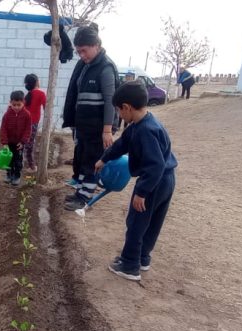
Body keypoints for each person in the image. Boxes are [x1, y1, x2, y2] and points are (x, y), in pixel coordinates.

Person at [94, 81, 178, 282]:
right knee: (152, 221)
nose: (119, 115)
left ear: (126, 107)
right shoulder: (141, 124)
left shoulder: (146, 131)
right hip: (166, 180)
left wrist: (142, 192)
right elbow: (122, 144)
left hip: (155, 181)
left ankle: (130, 264)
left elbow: (155, 165)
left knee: (137, 221)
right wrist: (104, 158)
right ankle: (143, 257)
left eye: (118, 111)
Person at [62, 26, 120, 211]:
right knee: (81, 159)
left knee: (91, 162)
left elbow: (111, 101)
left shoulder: (106, 68)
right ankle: (79, 192)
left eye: (84, 50)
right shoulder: (87, 66)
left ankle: (85, 198)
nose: (81, 55)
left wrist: (107, 130)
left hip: (97, 128)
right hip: (84, 126)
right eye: (78, 52)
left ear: (96, 45)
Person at [0, 90, 32, 186]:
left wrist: (22, 142)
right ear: (10, 103)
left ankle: (16, 176)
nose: (16, 107)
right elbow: (3, 129)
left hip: (19, 144)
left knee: (18, 160)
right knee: (9, 160)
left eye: (19, 104)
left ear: (23, 103)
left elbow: (28, 130)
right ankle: (9, 175)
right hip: (9, 143)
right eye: (14, 105)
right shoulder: (7, 115)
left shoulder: (27, 115)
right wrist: (4, 143)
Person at [23, 73, 46, 172]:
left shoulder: (27, 95)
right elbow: (46, 108)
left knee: (24, 142)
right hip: (33, 123)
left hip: (24, 122)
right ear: (37, 82)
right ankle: (31, 166)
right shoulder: (40, 94)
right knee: (30, 144)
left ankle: (20, 163)